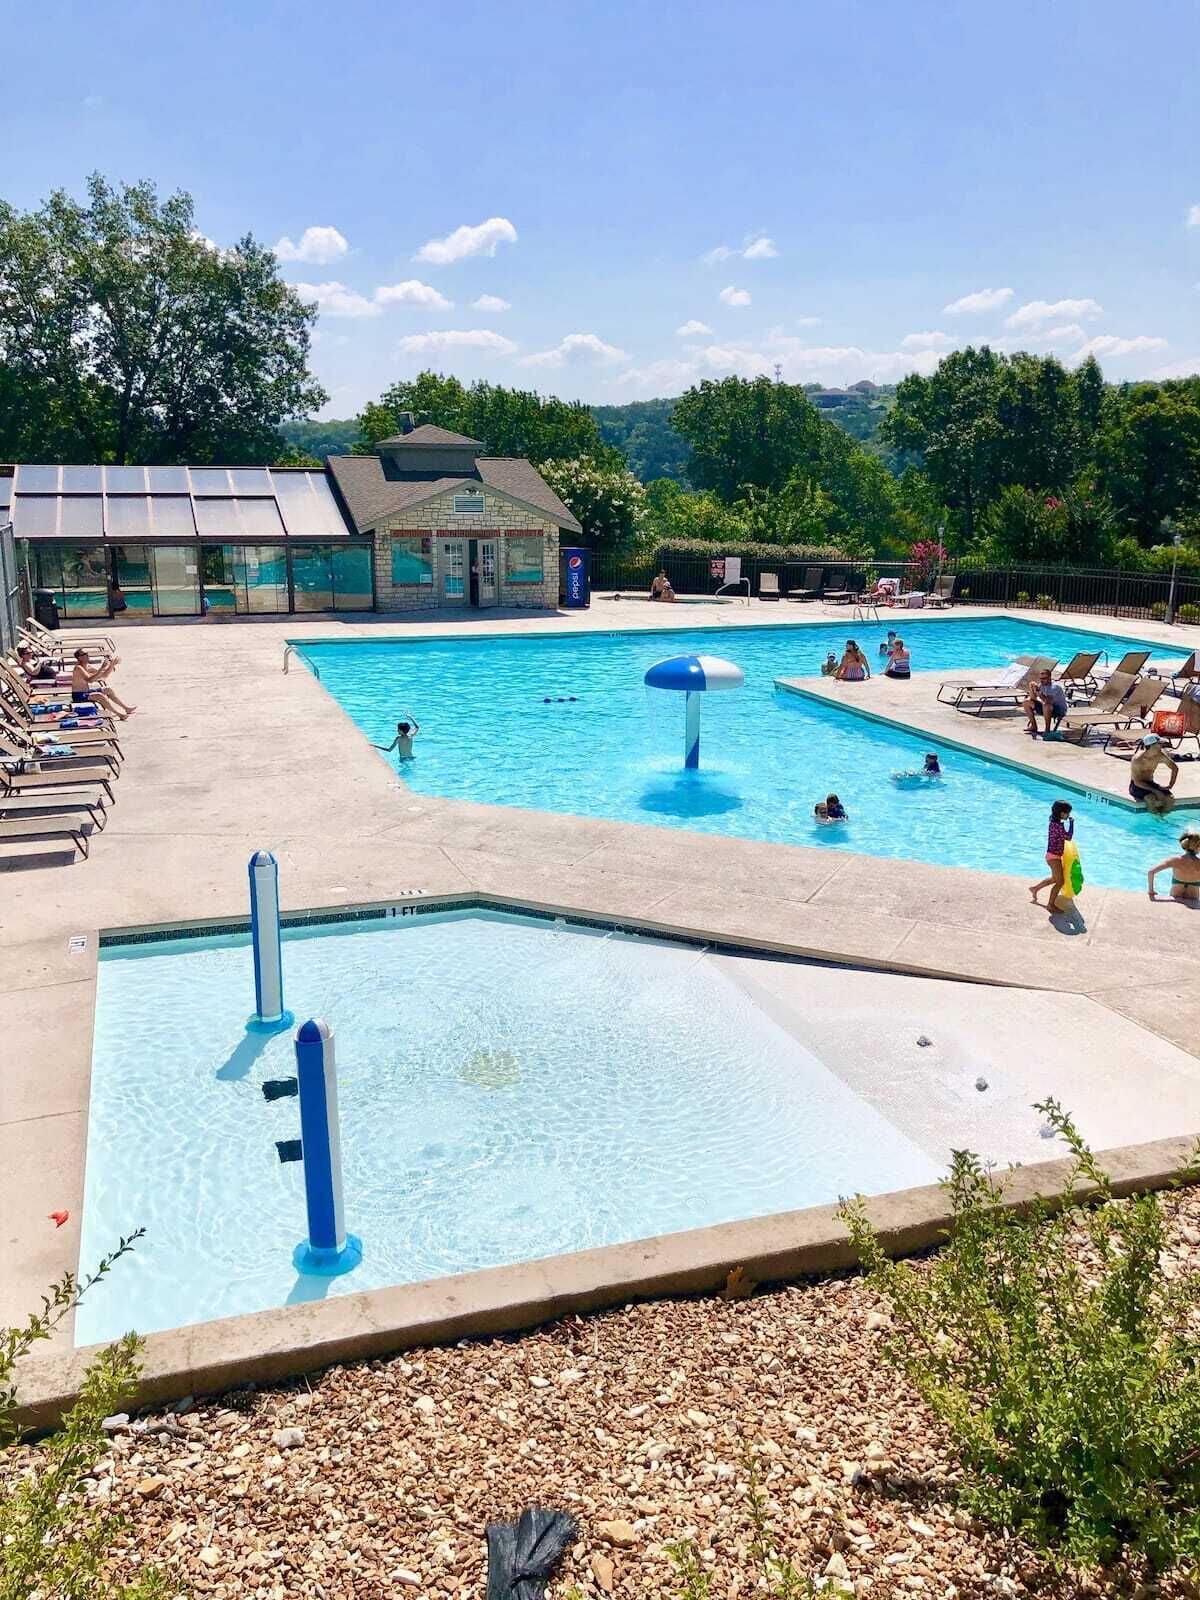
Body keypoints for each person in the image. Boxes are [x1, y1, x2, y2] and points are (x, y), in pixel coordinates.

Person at [1029, 799, 1074, 914]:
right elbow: (1068, 837)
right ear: (1061, 813)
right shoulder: (1058, 826)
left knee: (1054, 879)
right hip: (1054, 857)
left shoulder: (1053, 822)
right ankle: (1050, 905)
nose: (1069, 815)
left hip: (1051, 855)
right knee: (1060, 882)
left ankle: (1035, 888)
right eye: (1067, 813)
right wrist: (1072, 823)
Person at [71, 648, 135, 719]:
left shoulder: (88, 667)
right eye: (85, 654)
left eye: (87, 653)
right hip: (79, 695)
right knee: (100, 696)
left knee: (108, 689)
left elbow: (104, 676)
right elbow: (90, 680)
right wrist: (101, 668)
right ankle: (119, 715)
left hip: (86, 692)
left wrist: (112, 665)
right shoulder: (78, 668)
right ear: (79, 658)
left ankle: (126, 708)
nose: (88, 655)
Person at [1147, 827, 1200, 904]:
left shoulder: (1175, 860)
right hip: (1193, 900)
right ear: (1198, 846)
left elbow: (1151, 872)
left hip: (1175, 898)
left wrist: (1151, 891)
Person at [1128, 734, 1178, 812]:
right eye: (1159, 744)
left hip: (1150, 783)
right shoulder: (1137, 759)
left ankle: (1161, 816)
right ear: (1152, 746)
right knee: (1150, 799)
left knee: (1170, 799)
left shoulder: (1160, 755)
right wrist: (1155, 791)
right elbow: (1137, 782)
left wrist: (1171, 784)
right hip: (1136, 786)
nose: (1161, 746)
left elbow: (1174, 768)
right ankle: (1154, 817)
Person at [1023, 669, 1069, 736]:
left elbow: (1047, 701)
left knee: (1047, 705)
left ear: (1049, 677)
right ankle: (1033, 726)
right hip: (1046, 707)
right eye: (1041, 678)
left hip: (1058, 710)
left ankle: (1047, 730)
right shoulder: (1041, 685)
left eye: (1044, 678)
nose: (1042, 680)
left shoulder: (1055, 687)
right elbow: (1033, 698)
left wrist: (1039, 693)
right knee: (1026, 702)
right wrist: (1032, 689)